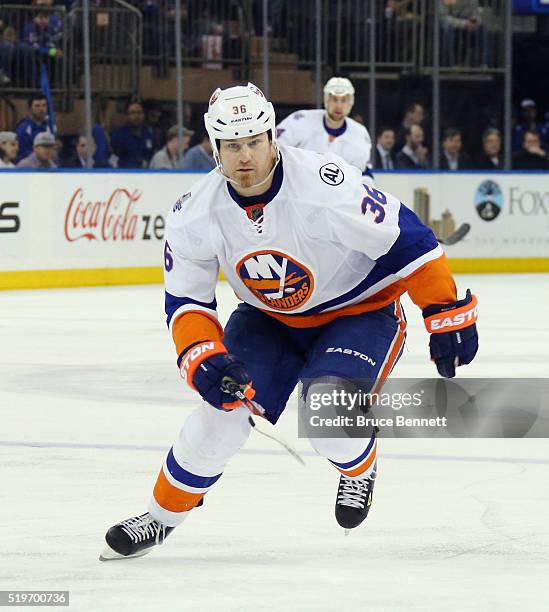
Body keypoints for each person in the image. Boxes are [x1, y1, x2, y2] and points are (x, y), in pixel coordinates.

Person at [100, 83, 478, 561]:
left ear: (272, 137)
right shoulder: (193, 212)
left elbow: (408, 240)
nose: (245, 157)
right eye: (232, 146)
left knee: (327, 419)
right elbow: (187, 302)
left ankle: (358, 470)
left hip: (359, 311)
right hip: (268, 319)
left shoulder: (325, 184)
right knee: (220, 421)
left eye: (254, 141)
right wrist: (202, 357)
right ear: (214, 148)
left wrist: (444, 311)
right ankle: (159, 517)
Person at [275, 77, 372, 174]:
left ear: (350, 104)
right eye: (334, 99)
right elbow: (275, 150)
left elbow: (363, 174)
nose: (339, 106)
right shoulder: (300, 120)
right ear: (326, 100)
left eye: (343, 100)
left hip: (339, 188)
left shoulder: (360, 133)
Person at [111, 101, 155, 168]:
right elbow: (115, 158)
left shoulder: (149, 134)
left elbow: (151, 155)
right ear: (126, 116)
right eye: (132, 113)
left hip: (146, 174)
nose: (136, 116)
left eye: (139, 113)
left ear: (144, 115)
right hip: (126, 173)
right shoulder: (119, 135)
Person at [15, 93, 51, 161]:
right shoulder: (23, 129)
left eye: (44, 105)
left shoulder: (50, 126)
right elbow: (24, 154)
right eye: (37, 106)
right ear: (30, 108)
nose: (41, 109)